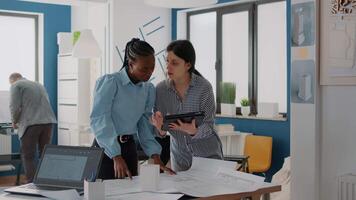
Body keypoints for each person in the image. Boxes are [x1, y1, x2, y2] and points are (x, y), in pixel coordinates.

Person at [90, 38, 175, 180]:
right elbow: (100, 120)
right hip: (105, 150)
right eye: (144, 69)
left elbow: (144, 125)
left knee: (131, 193)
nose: (149, 73)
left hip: (129, 148)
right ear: (130, 64)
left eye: (152, 67)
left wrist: (155, 155)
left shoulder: (148, 89)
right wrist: (115, 155)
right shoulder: (111, 82)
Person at [151, 40, 223, 172]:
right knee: (182, 193)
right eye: (167, 61)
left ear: (188, 65)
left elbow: (209, 125)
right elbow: (159, 132)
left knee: (208, 193)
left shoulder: (204, 88)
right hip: (180, 159)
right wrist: (160, 128)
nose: (168, 67)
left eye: (174, 63)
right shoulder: (160, 90)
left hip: (207, 156)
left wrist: (193, 130)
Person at [8, 73, 57, 183]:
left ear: (12, 80)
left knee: (28, 155)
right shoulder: (38, 84)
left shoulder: (16, 85)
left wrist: (14, 121)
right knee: (44, 154)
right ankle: (47, 181)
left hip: (32, 122)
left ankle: (31, 184)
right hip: (49, 122)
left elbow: (14, 106)